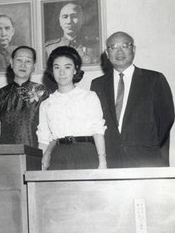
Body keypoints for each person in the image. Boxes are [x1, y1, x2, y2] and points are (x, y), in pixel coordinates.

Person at [91, 31, 174, 167]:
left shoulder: (154, 79)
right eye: (113, 47)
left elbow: (166, 118)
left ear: (134, 49)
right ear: (107, 53)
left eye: (125, 46)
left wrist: (146, 144)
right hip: (111, 161)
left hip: (146, 159)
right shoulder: (97, 84)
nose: (119, 52)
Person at [37, 46, 107, 170]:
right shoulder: (46, 104)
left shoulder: (89, 97)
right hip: (58, 156)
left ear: (75, 70)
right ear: (52, 71)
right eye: (57, 67)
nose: (62, 72)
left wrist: (102, 161)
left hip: (86, 154)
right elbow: (44, 139)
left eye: (67, 67)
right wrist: (41, 167)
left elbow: (97, 131)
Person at [0, 46, 49, 147]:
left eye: (28, 61)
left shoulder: (43, 92)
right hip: (7, 153)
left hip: (35, 151)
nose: (23, 65)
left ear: (33, 66)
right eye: (19, 60)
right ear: (11, 62)